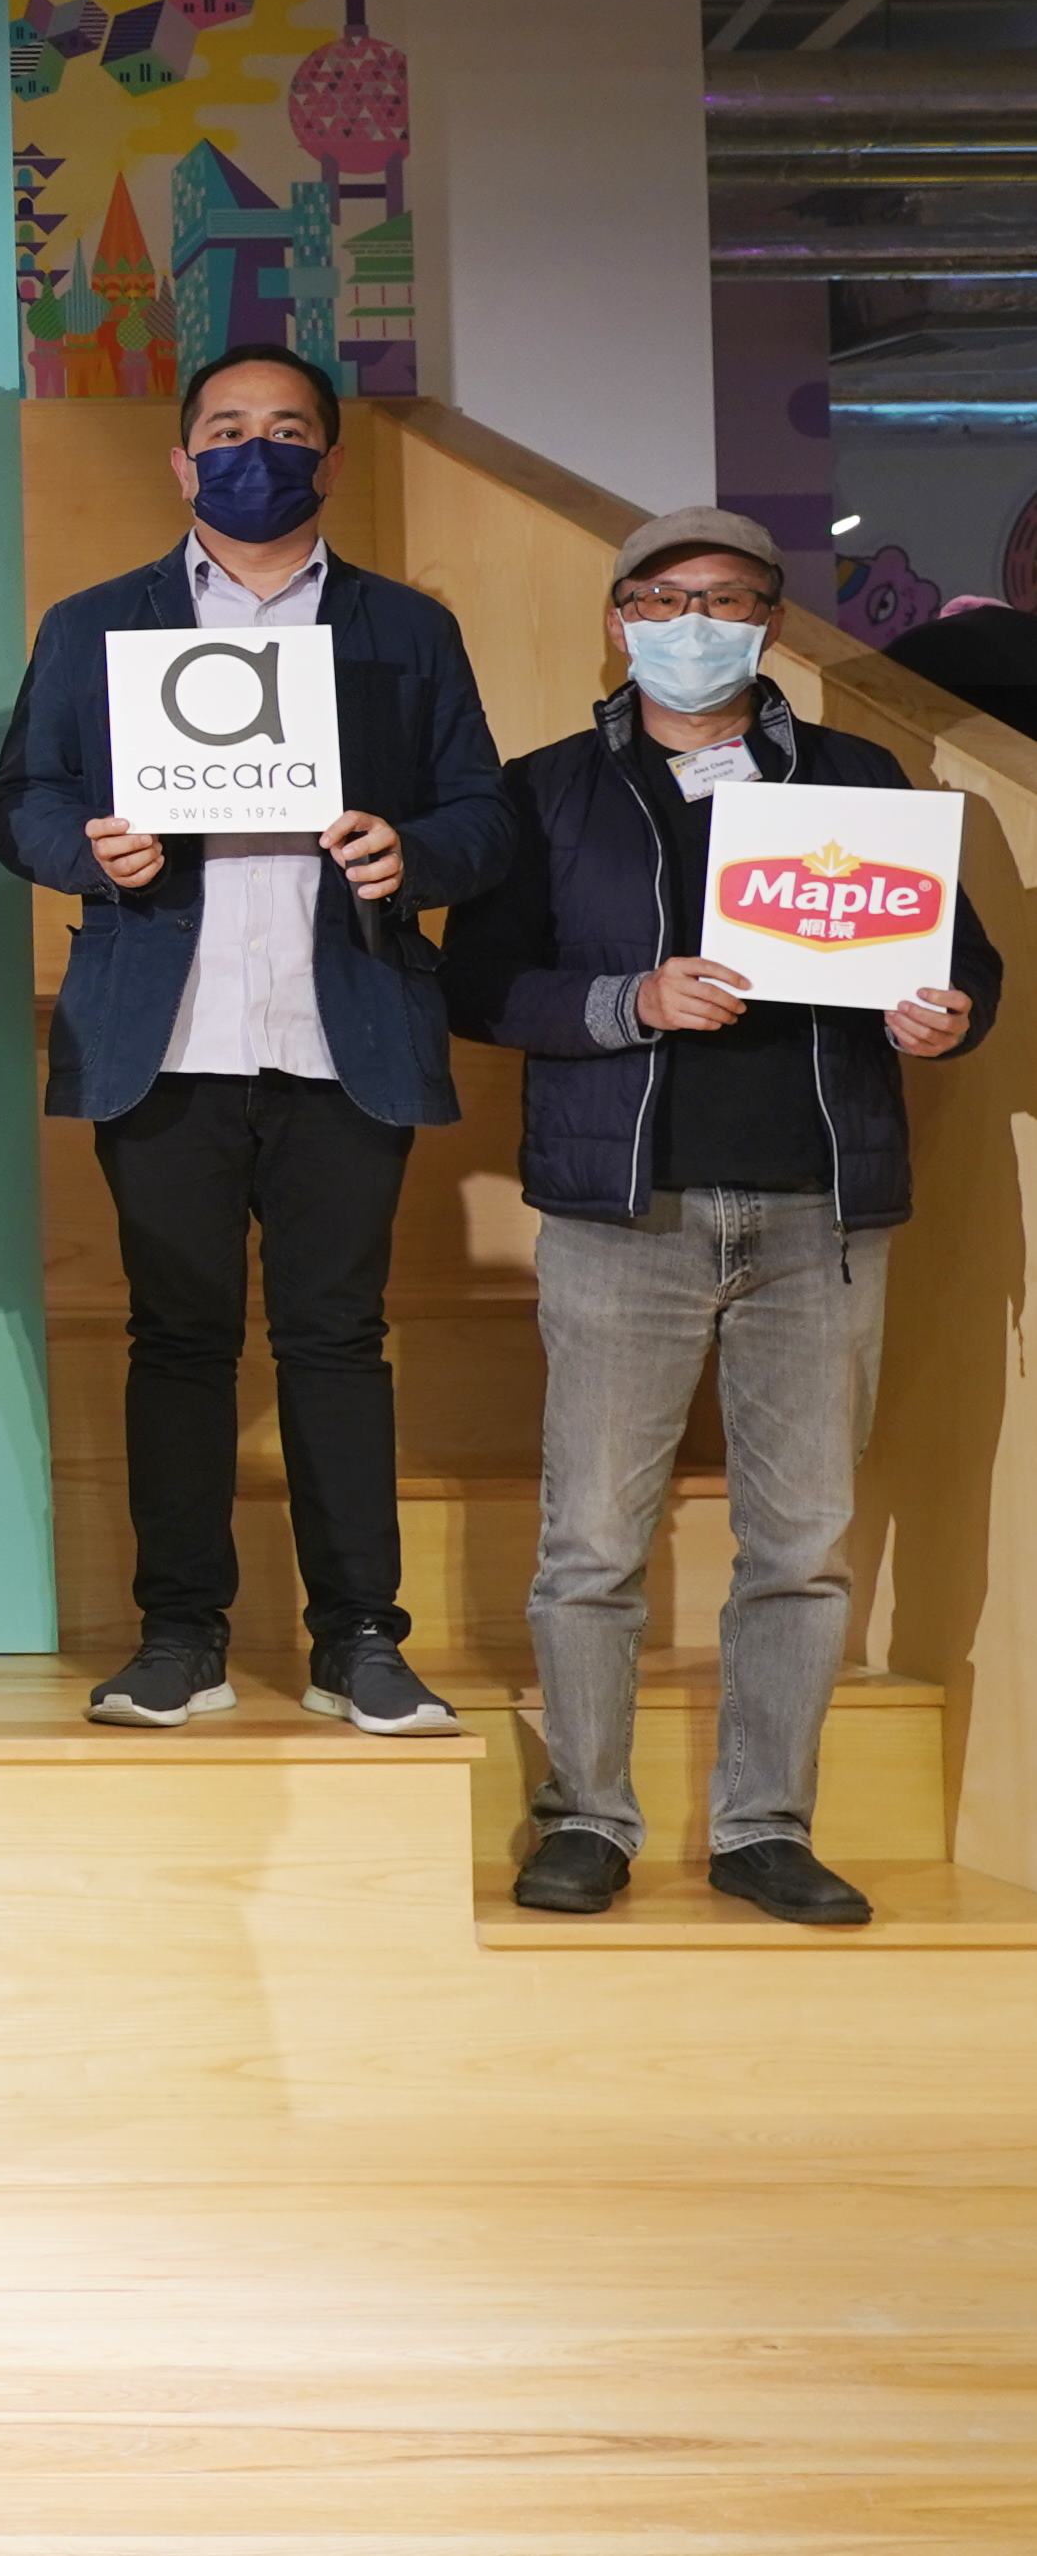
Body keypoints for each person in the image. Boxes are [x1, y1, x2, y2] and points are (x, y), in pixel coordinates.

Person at [448, 510, 1001, 1927]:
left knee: (800, 1547)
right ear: (617, 618)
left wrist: (945, 1015)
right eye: (662, 597)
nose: (693, 621)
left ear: (769, 625)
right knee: (590, 1540)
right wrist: (626, 999)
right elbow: (478, 985)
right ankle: (585, 1816)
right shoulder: (546, 788)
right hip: (620, 1213)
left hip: (821, 1215)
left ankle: (763, 1827)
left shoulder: (857, 779)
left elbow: (963, 964)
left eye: (728, 598)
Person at [0, 342, 516, 1735]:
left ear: (327, 461)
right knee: (176, 1338)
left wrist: (411, 852)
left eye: (285, 429)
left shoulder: (406, 629)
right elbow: (22, 797)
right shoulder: (94, 621)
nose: (254, 450)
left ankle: (359, 1637)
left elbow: (482, 814)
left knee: (336, 1337)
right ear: (181, 463)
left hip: (344, 1027)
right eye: (225, 429)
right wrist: (89, 848)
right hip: (163, 1034)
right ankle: (179, 1635)